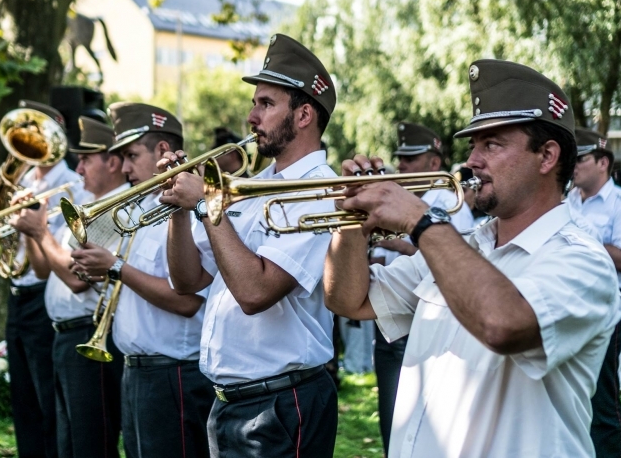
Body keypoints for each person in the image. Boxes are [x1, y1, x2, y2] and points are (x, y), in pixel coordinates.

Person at [324, 59, 621, 457]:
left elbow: (504, 324)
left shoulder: (583, 260)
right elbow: (347, 300)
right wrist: (349, 223)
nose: (471, 161)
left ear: (547, 156)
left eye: (492, 145)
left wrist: (420, 219)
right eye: (472, 146)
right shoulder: (463, 245)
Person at [160, 33, 339, 457]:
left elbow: (255, 292)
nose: (251, 116)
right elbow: (187, 280)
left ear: (303, 115)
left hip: (280, 405)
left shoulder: (318, 190)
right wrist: (178, 209)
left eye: (265, 104)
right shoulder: (254, 187)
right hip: (233, 403)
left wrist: (205, 204)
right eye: (254, 103)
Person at [70, 103, 214, 458]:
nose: (126, 167)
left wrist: (116, 267)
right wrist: (99, 269)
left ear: (163, 151)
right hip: (137, 371)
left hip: (173, 375)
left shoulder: (194, 213)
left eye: (132, 155)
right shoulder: (140, 209)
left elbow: (188, 302)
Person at [10, 116, 125, 458]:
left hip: (86, 336)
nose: (79, 168)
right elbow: (46, 270)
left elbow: (76, 280)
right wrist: (32, 231)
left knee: (90, 443)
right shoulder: (86, 207)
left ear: (113, 162)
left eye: (86, 159)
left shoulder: (114, 210)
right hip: (64, 336)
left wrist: (42, 231)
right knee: (68, 442)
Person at [0, 100, 89, 458]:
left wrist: (33, 228)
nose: (31, 145)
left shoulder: (71, 185)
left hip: (44, 294)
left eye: (39, 135)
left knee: (46, 394)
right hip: (18, 293)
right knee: (23, 395)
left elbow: (54, 253)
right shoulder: (25, 178)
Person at [368, 122, 475, 453]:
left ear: (433, 162)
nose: (401, 165)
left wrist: (402, 240)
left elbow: (456, 259)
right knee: (395, 435)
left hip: (426, 326)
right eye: (400, 158)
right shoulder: (403, 198)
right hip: (390, 318)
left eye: (411, 159)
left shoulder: (446, 200)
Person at [565, 128, 621, 458]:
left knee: (603, 405)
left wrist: (580, 239)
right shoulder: (565, 199)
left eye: (581, 159)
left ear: (603, 162)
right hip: (568, 303)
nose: (573, 165)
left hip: (607, 309)